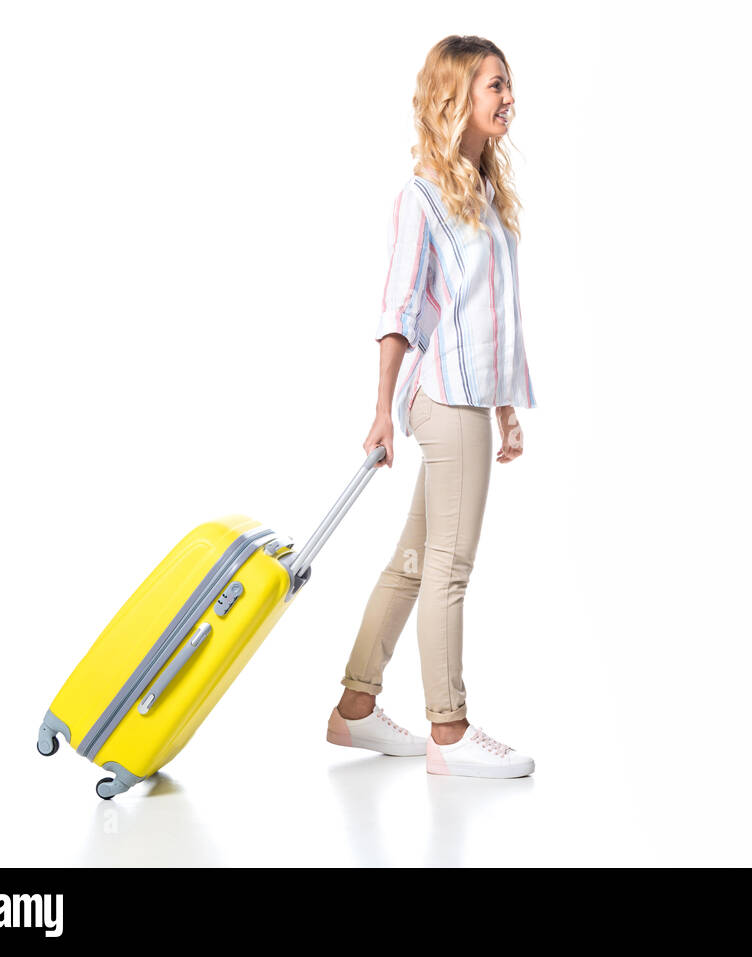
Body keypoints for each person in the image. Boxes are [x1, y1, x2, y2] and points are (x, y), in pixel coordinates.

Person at [325, 36, 538, 779]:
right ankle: (448, 729)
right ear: (458, 97)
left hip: (472, 397)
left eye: (509, 85)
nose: (509, 98)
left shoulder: (484, 193)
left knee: (416, 562)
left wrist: (509, 403)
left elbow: (495, 312)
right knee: (451, 567)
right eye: (495, 86)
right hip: (444, 398)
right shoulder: (422, 197)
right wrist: (381, 409)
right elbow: (400, 309)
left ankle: (354, 711)